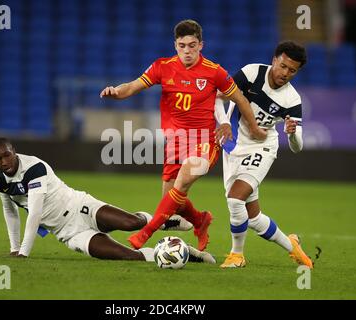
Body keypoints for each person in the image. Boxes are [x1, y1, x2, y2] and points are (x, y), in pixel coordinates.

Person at [100, 19, 267, 251]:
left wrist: (255, 128)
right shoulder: (162, 66)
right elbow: (132, 86)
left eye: (192, 45)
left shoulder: (214, 72)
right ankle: (200, 220)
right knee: (173, 202)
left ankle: (145, 234)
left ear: (201, 45)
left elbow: (239, 98)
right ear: (175, 45)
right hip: (175, 143)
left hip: (204, 141)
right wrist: (116, 92)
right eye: (182, 45)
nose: (187, 51)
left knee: (183, 182)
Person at [0, 137, 215, 263]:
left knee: (132, 223)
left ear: (14, 152)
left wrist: (23, 253)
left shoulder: (34, 169)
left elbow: (35, 213)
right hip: (69, 234)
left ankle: (166, 221)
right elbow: (9, 211)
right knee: (129, 257)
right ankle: (185, 252)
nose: (4, 161)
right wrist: (14, 247)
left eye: (7, 155)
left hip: (79, 206)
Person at [215, 41, 313, 269]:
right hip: (233, 146)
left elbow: (298, 145)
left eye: (292, 70)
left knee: (234, 198)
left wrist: (291, 135)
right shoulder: (251, 73)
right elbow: (219, 96)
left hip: (262, 148)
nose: (286, 73)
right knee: (253, 219)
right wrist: (223, 121)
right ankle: (292, 246)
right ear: (274, 60)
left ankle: (236, 255)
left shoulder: (292, 100)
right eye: (283, 66)